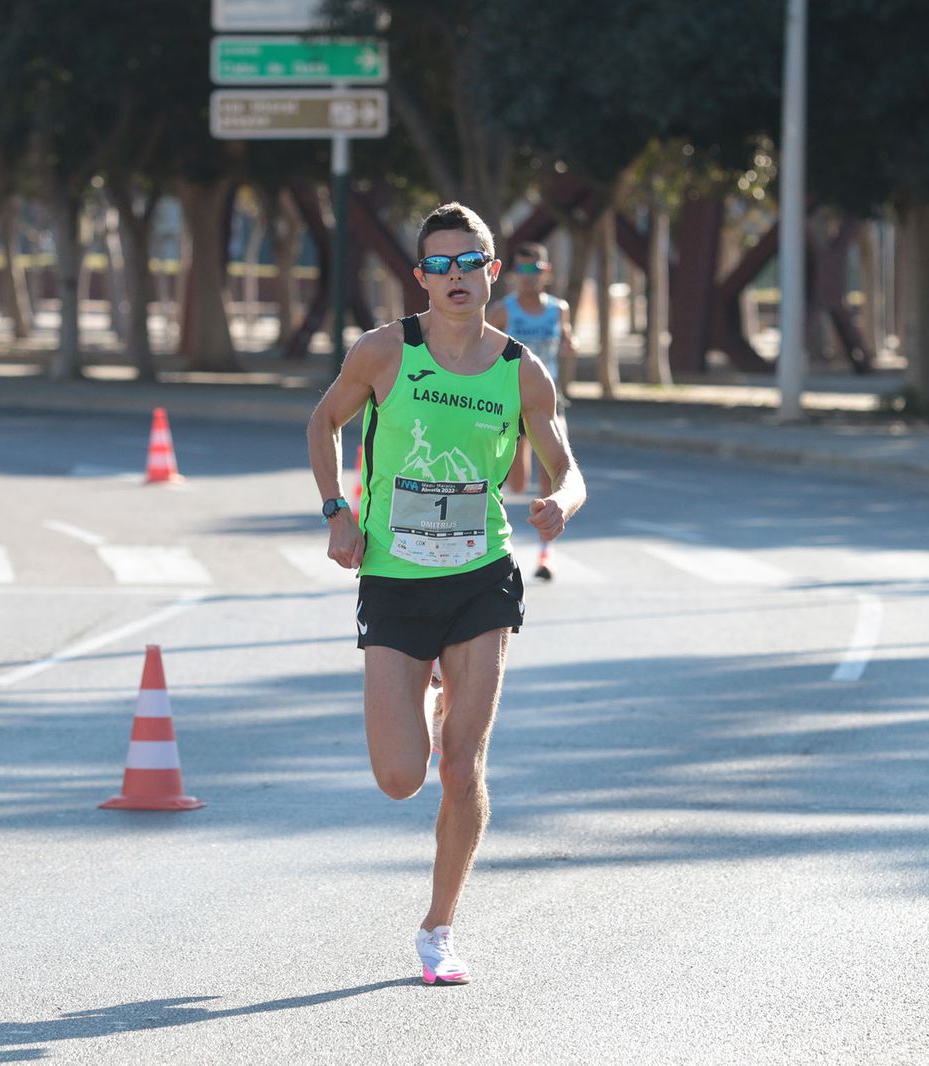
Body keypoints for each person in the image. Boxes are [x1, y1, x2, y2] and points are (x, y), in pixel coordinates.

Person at [306, 202, 587, 986]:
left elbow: (566, 466)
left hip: (480, 576)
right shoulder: (385, 352)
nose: (457, 277)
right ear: (421, 275)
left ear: (493, 269)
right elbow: (323, 424)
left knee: (461, 768)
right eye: (441, 265)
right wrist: (337, 513)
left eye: (471, 263)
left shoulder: (519, 370)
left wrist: (562, 503)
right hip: (395, 578)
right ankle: (427, 695)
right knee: (401, 780)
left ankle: (439, 929)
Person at [487, 241, 576, 580]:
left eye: (534, 270)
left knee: (551, 478)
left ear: (546, 272)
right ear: (513, 274)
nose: (528, 277)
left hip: (549, 404)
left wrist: (571, 344)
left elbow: (566, 337)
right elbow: (481, 347)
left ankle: (545, 555)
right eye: (522, 270)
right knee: (517, 481)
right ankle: (503, 537)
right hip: (512, 404)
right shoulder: (502, 311)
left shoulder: (558, 309)